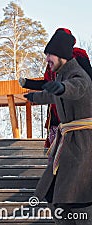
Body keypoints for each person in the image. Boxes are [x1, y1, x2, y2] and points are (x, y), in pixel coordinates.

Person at [24, 29, 92, 224]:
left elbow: (76, 87)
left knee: (80, 200)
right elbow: (54, 93)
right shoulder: (62, 74)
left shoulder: (77, 73)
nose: (47, 59)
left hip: (82, 145)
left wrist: (62, 88)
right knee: (56, 196)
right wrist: (34, 97)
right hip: (70, 144)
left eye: (49, 55)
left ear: (61, 53)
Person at [20, 42, 92, 150]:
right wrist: (28, 85)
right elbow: (47, 84)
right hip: (57, 110)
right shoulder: (55, 65)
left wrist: (63, 88)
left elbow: (81, 81)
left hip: (77, 113)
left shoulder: (78, 57)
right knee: (57, 149)